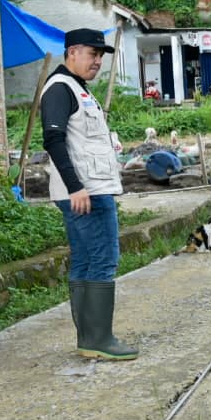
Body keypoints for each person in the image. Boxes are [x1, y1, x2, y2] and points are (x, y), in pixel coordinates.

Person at [42, 28, 137, 360]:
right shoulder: (61, 88)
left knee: (85, 260)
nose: (98, 61)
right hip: (86, 193)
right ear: (72, 53)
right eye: (92, 54)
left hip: (87, 190)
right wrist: (75, 187)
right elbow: (52, 140)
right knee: (103, 259)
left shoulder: (77, 89)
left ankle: (89, 338)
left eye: (100, 56)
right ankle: (99, 338)